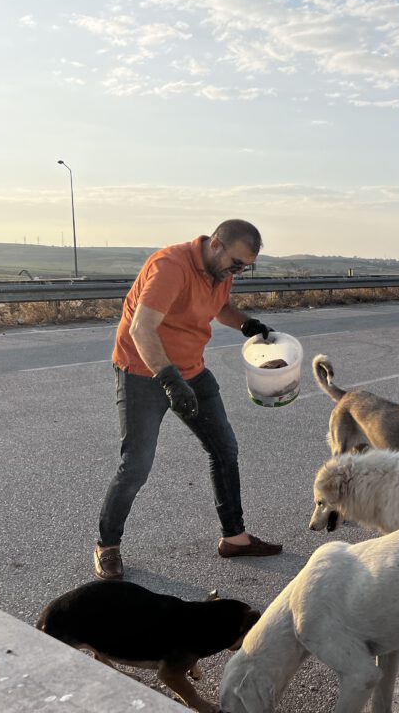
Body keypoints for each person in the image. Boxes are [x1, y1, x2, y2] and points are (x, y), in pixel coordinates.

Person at [93, 220, 282, 580]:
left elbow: (220, 307)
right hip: (143, 371)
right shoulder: (171, 267)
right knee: (136, 465)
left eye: (245, 267)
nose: (238, 272)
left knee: (224, 449)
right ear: (216, 244)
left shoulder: (220, 271)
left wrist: (246, 324)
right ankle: (107, 546)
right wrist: (169, 380)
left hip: (191, 369)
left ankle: (234, 538)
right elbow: (141, 328)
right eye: (236, 263)